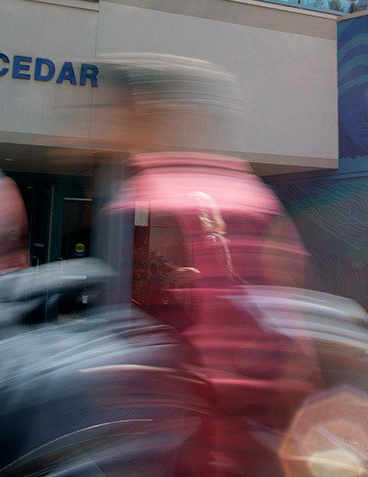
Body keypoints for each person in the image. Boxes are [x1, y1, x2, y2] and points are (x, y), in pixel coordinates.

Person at [99, 54, 326, 477]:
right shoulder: (253, 195)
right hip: (252, 417)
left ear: (156, 115)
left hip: (211, 421)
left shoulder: (152, 194)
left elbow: (139, 324)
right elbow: (289, 309)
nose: (115, 128)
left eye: (126, 115)